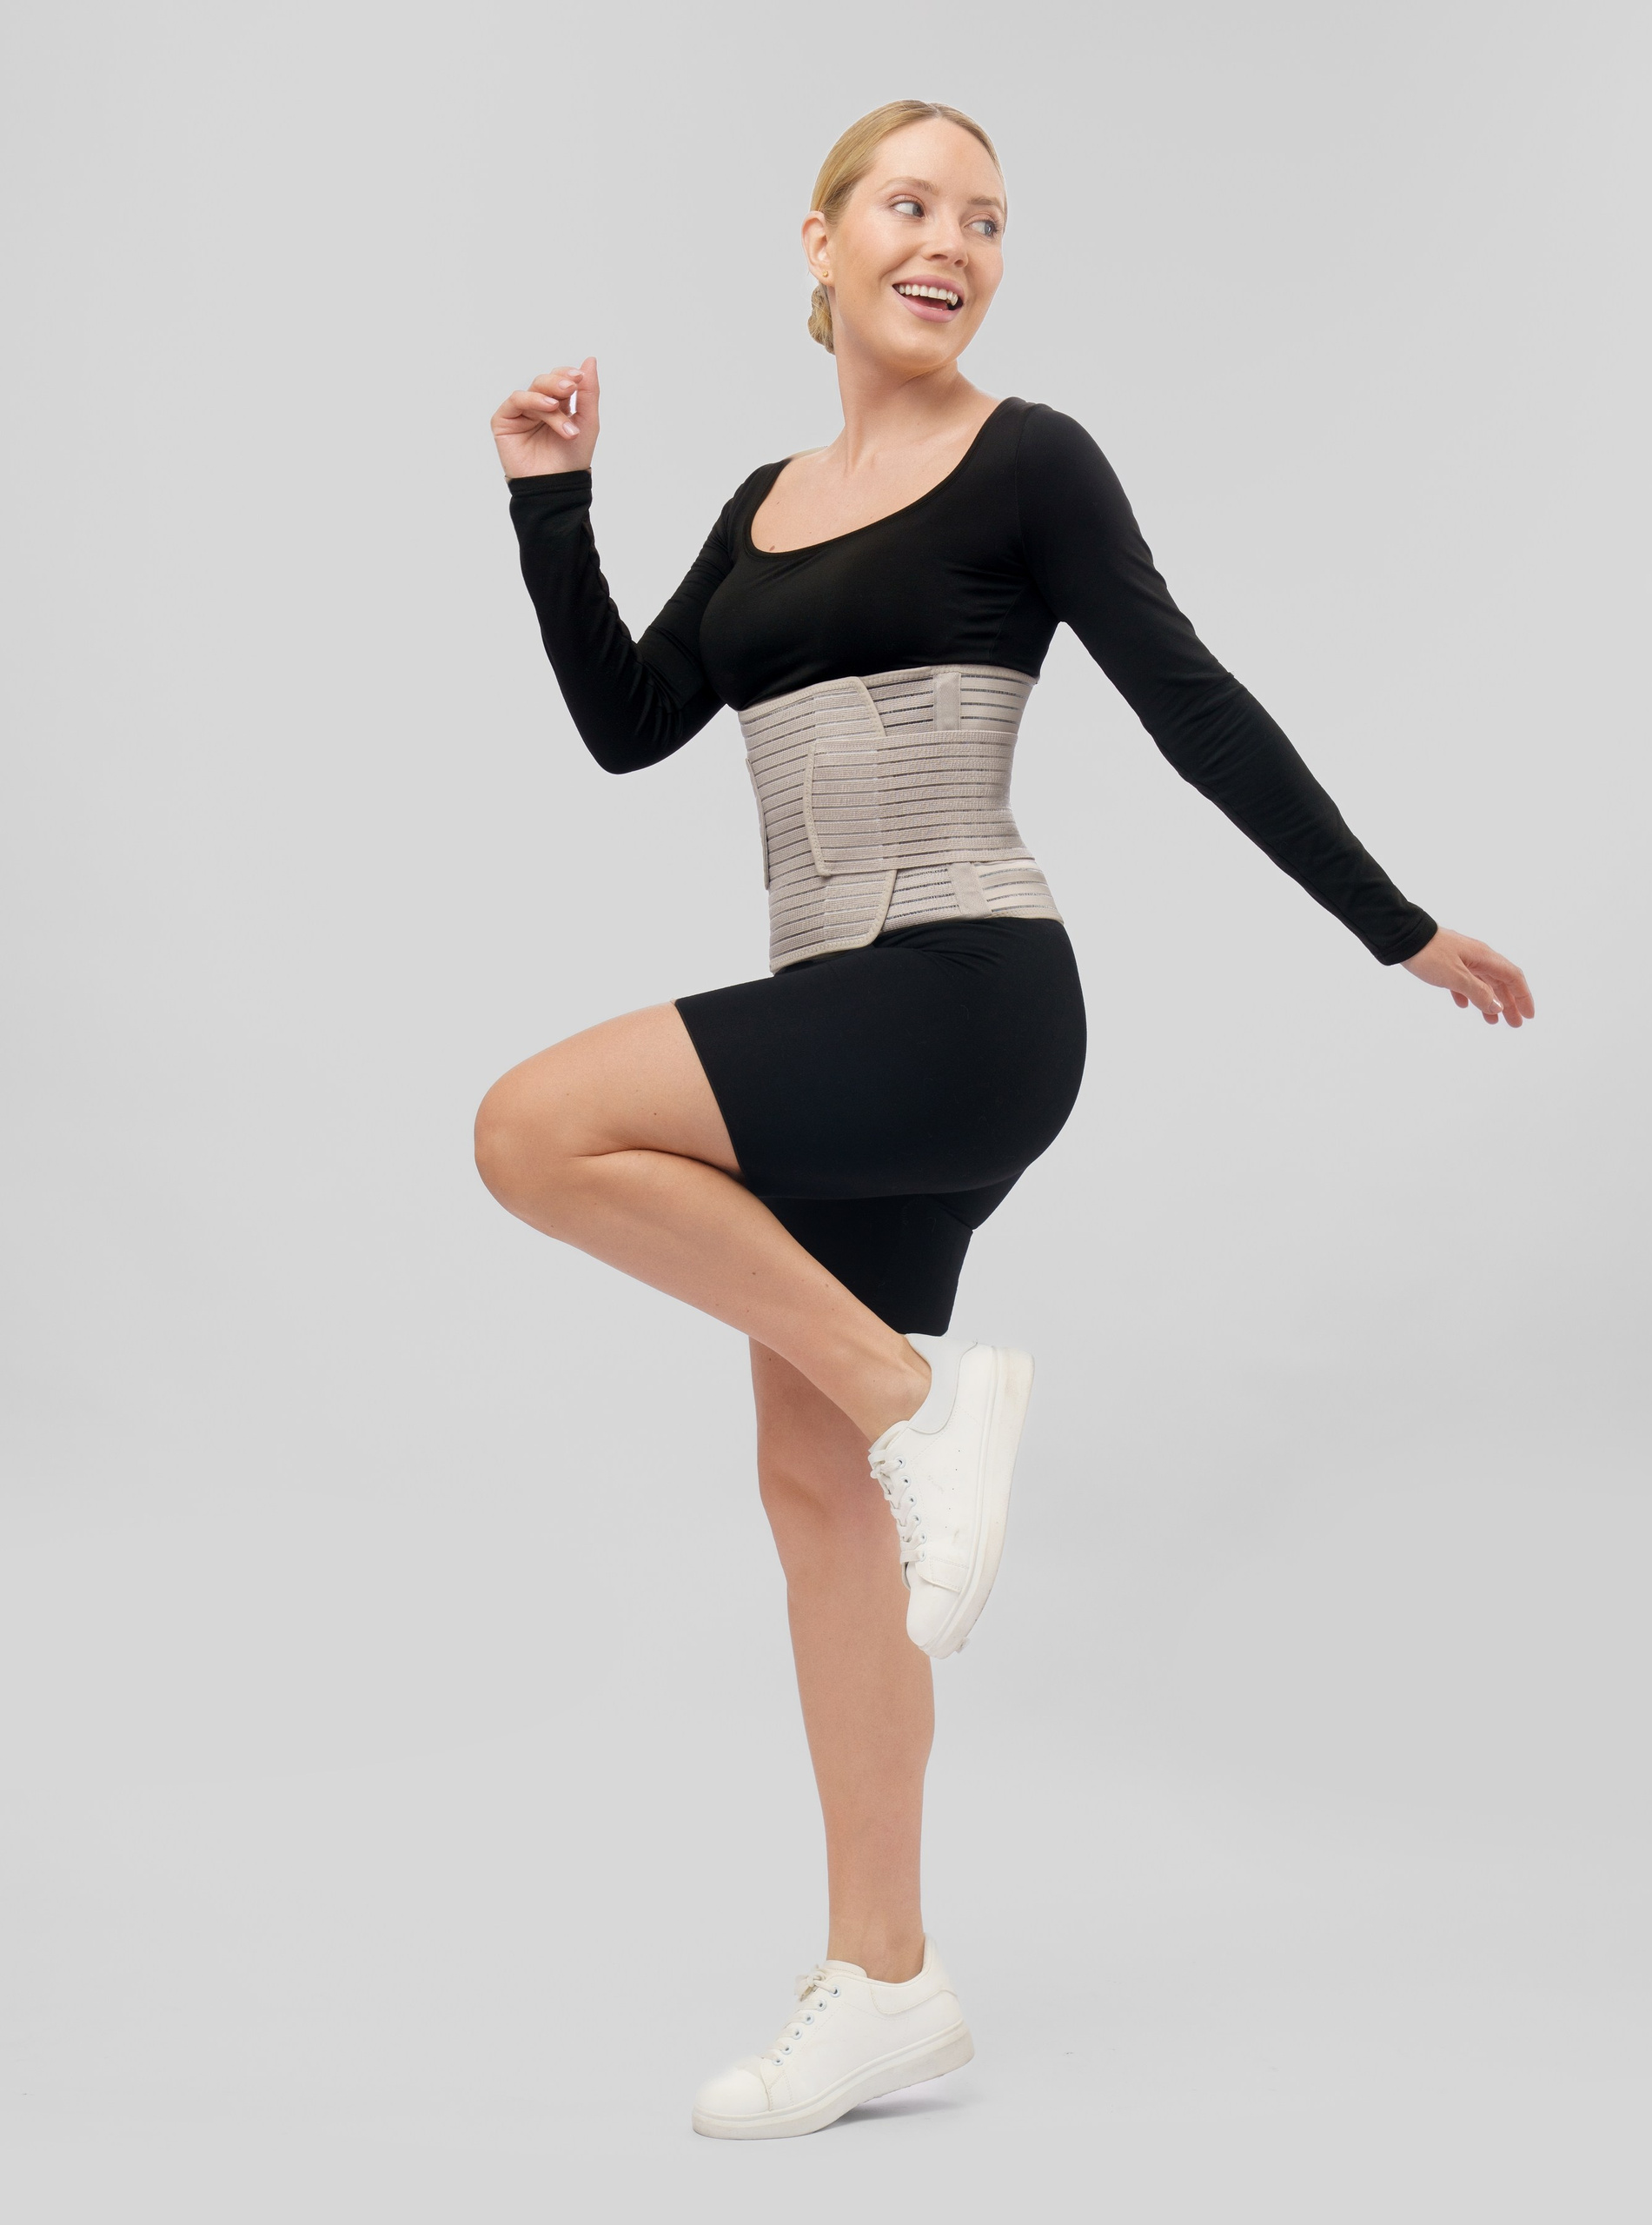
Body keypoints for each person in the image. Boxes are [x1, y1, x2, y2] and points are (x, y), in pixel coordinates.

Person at [475, 99, 1534, 2142]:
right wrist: (550, 500)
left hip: (963, 998)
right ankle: (886, 1976)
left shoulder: (1031, 459)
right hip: (837, 1019)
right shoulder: (764, 501)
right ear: (822, 241)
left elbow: (1191, 701)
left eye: (982, 216)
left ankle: (921, 1399)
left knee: (531, 1129)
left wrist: (1393, 923)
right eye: (909, 203)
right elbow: (629, 723)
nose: (947, 240)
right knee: (813, 1499)